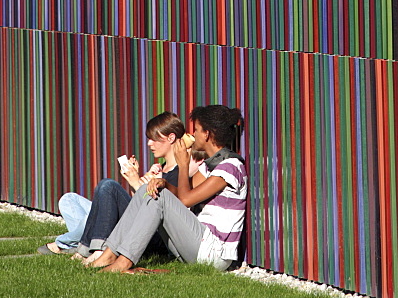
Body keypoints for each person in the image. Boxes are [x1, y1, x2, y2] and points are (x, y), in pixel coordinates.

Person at [90, 104, 247, 273]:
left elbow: (185, 200)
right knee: (146, 190)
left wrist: (183, 164)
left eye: (197, 130)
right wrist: (162, 183)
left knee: (160, 197)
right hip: (197, 244)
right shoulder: (209, 167)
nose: (193, 134)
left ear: (207, 134)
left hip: (214, 253)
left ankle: (124, 262)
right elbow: (182, 194)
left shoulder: (230, 167)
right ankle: (109, 254)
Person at [37, 111, 186, 258]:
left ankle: (87, 247)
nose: (149, 143)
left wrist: (135, 182)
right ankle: (84, 240)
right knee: (69, 200)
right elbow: (138, 203)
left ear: (171, 137)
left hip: (153, 237)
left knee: (108, 187)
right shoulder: (160, 168)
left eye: (154, 139)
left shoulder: (180, 171)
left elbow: (157, 211)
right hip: (134, 223)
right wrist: (135, 179)